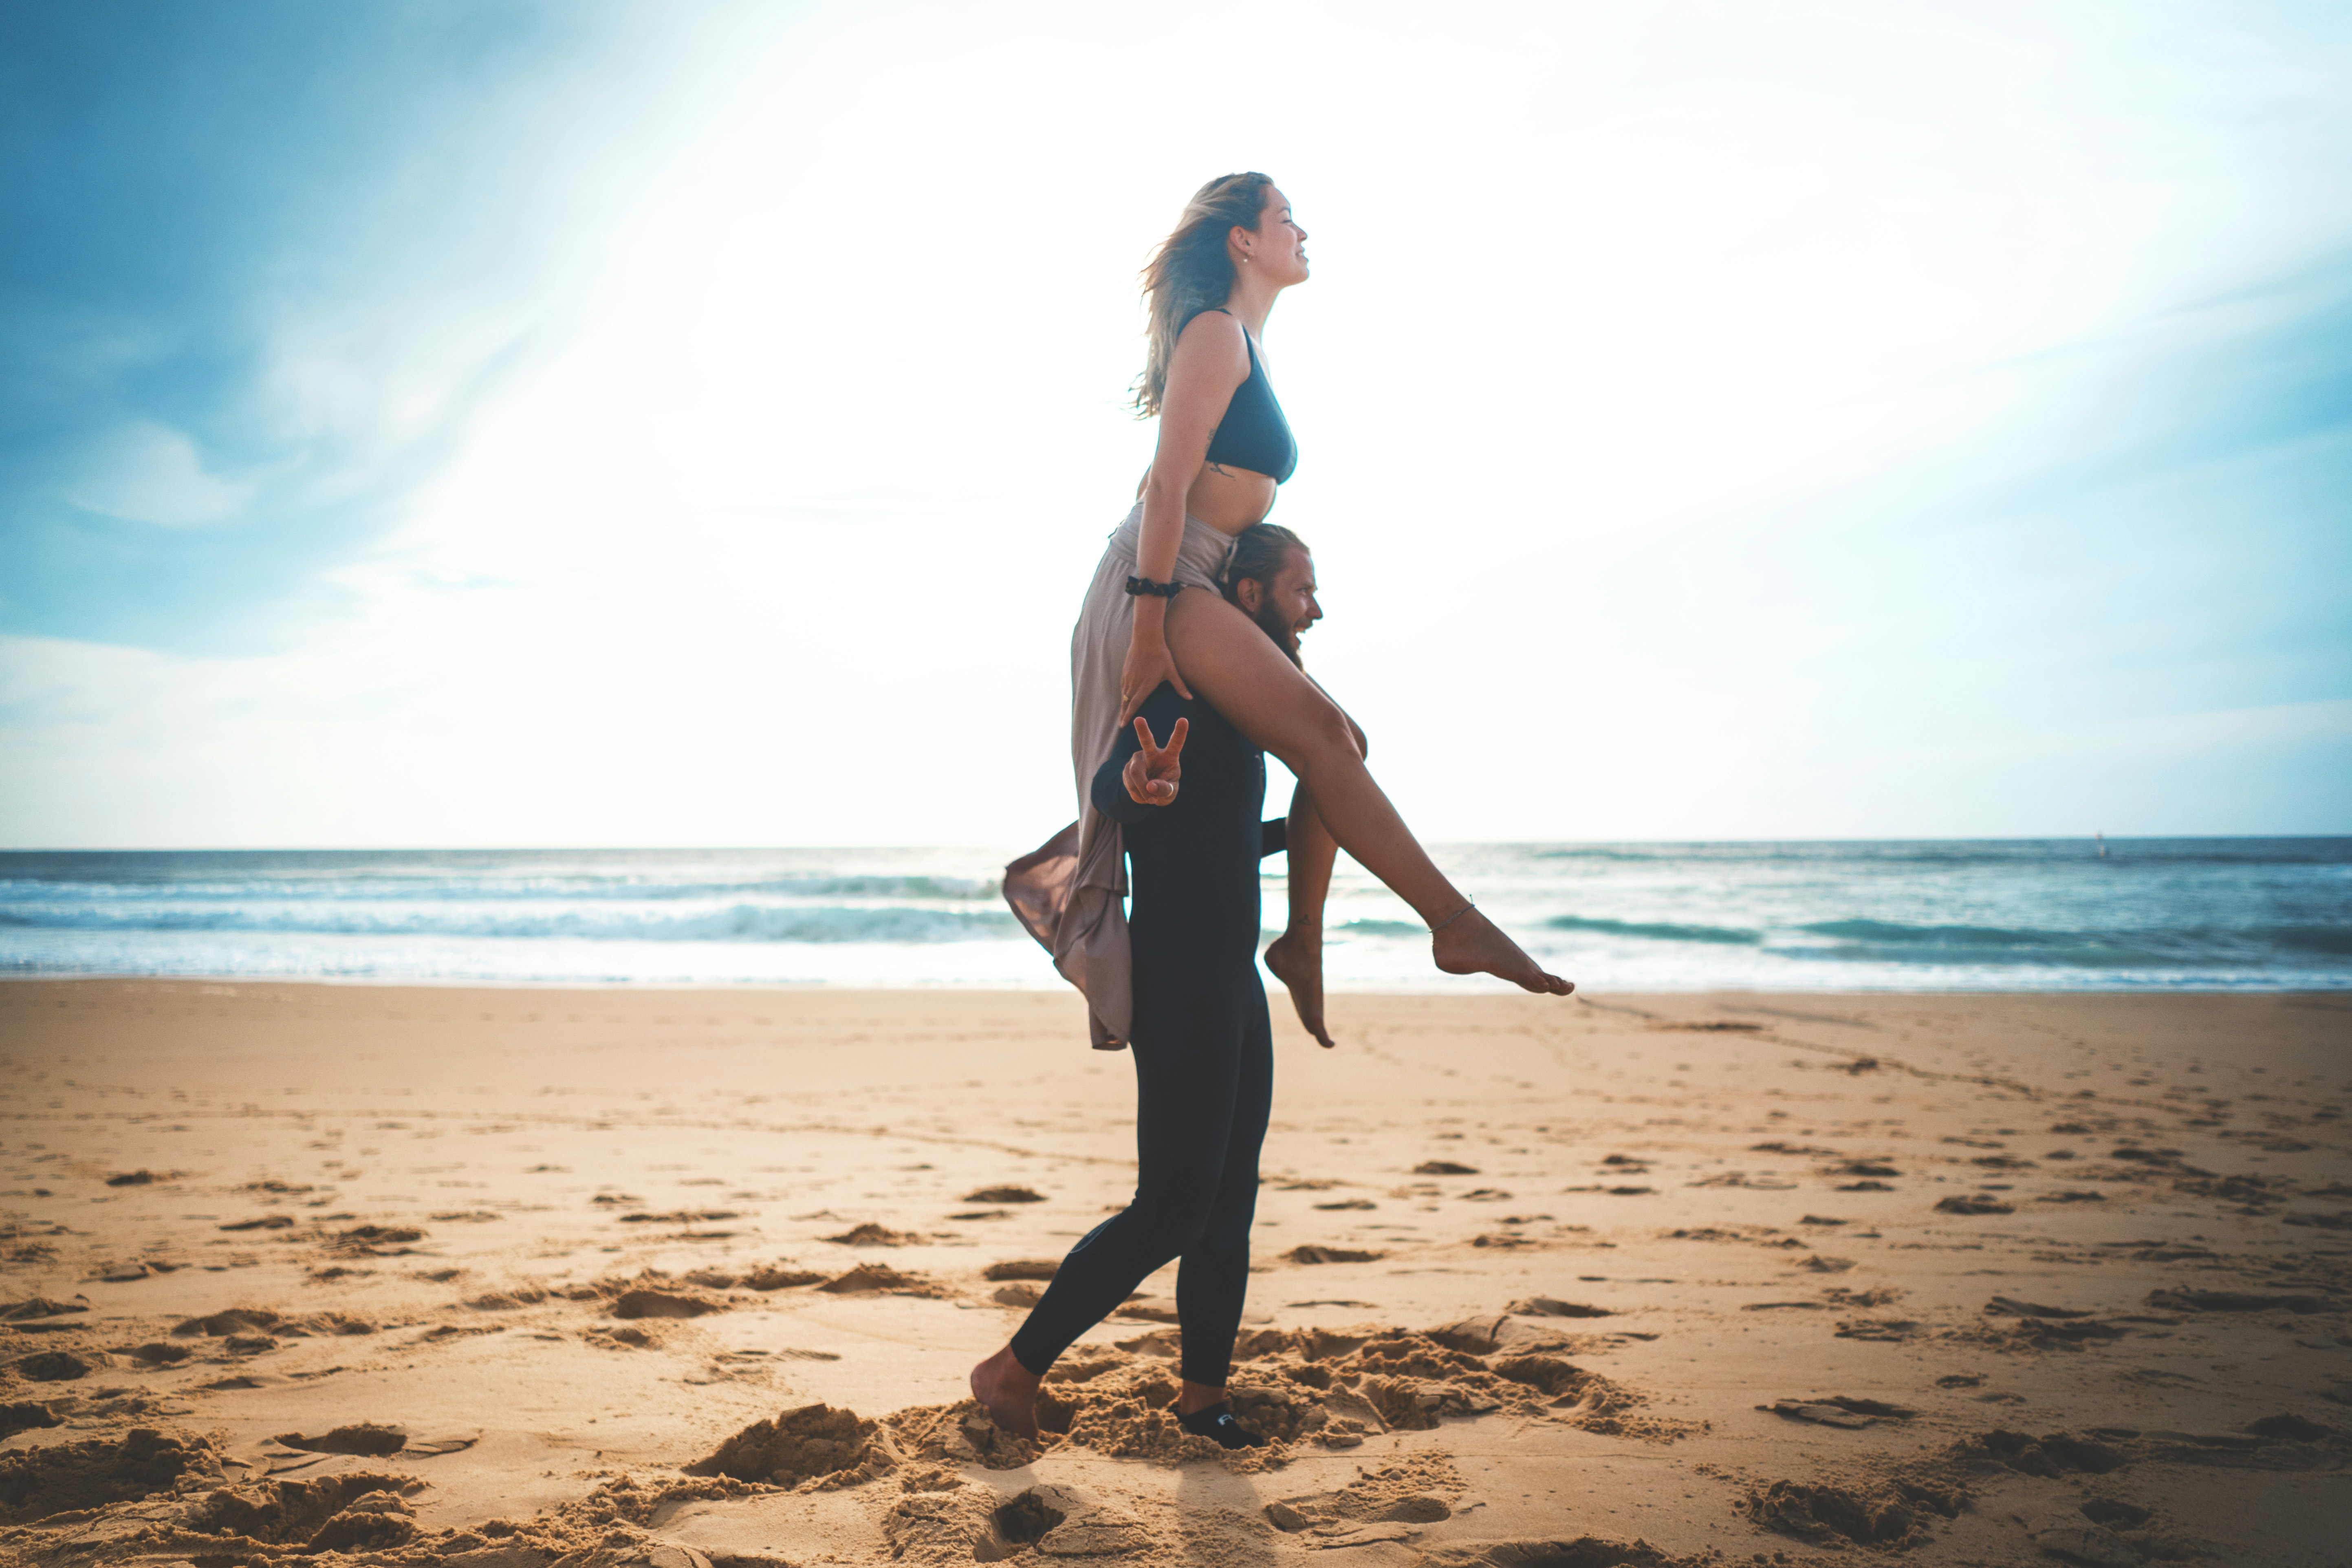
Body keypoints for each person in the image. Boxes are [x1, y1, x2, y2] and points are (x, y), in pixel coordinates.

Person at [1006, 172, 1571, 1058]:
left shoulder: (1246, 342)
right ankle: (1452, 923)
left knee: (1342, 739)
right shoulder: (1216, 333)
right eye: (1285, 219)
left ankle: (1301, 940)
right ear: (1242, 239)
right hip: (1160, 576)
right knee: (1319, 732)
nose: (1302, 232)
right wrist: (1151, 624)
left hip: (1194, 573)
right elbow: (1166, 484)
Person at [971, 526, 1334, 1449]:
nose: (1316, 608)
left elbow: (1218, 839)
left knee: (1230, 1200)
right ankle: (1012, 1370)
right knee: (1173, 1204)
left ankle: (1201, 1400)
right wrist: (1139, 780)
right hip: (1182, 986)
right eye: (1302, 588)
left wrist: (1305, 826)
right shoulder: (1180, 686)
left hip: (1232, 981)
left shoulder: (1244, 705)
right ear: (1247, 594)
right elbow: (1115, 785)